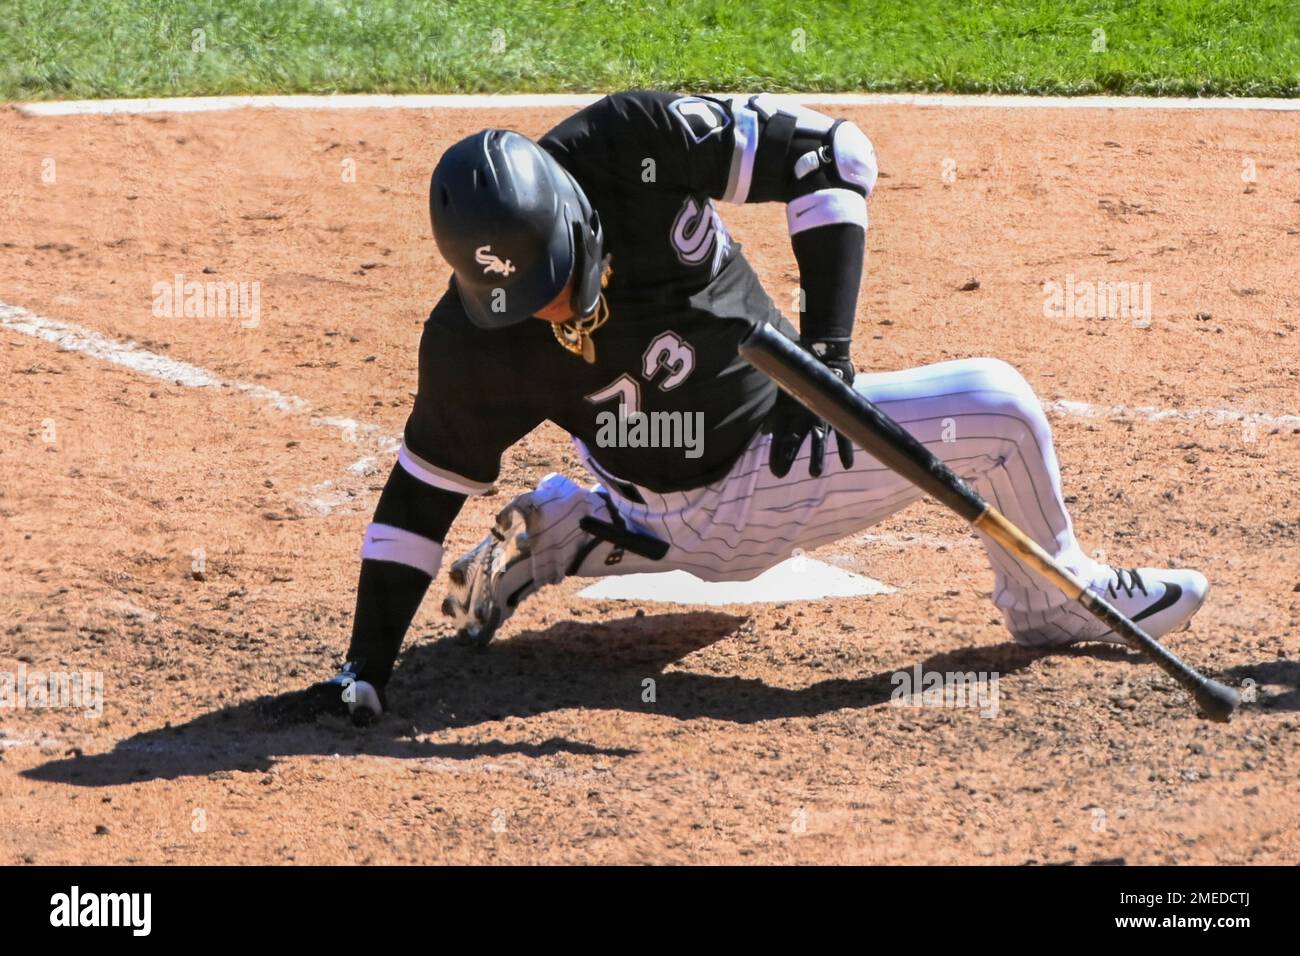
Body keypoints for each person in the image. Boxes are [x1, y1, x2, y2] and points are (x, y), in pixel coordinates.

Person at [280, 91, 1207, 725]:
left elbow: (834, 155)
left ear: (574, 215)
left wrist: (830, 368)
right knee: (999, 411)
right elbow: (422, 489)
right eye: (527, 303)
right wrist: (363, 670)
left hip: (745, 467)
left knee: (980, 410)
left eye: (556, 281)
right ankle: (1055, 599)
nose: (552, 310)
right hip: (706, 502)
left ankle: (569, 530)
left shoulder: (634, 143)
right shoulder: (469, 340)